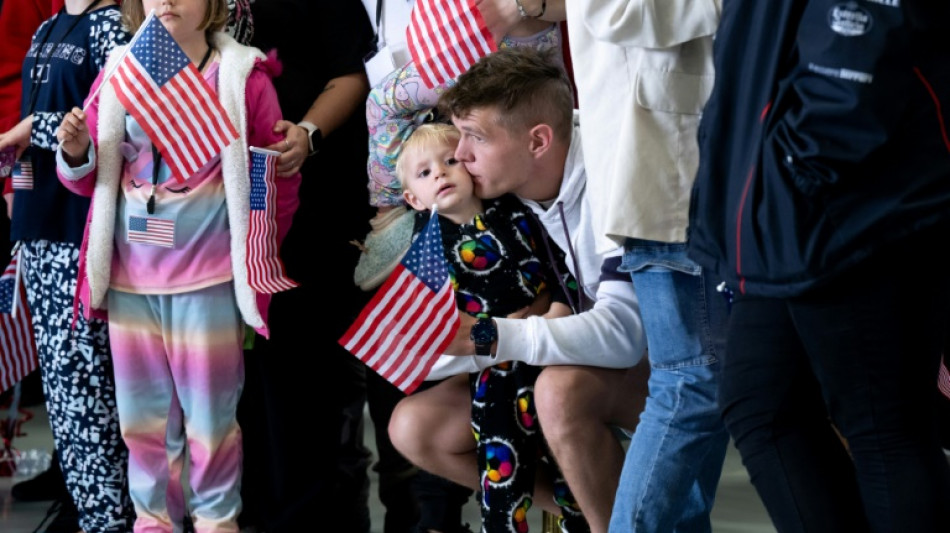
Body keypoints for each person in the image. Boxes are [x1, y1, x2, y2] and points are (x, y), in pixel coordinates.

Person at [687, 1, 950, 531]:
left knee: (882, 426)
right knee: (760, 405)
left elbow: (856, 51)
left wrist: (793, 177)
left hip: (850, 208)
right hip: (790, 214)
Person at [54, 0, 301, 529]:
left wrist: (256, 258)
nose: (166, 0)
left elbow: (275, 179)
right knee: (141, 425)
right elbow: (86, 179)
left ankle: (217, 521)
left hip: (209, 284)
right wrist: (75, 151)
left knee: (211, 423)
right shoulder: (120, 70)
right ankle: (153, 523)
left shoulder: (243, 77)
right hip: (130, 285)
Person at [388, 46, 651, 533]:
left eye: (473, 138)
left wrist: (496, 334)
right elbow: (450, 341)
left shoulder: (611, 172)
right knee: (412, 425)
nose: (459, 158)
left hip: (670, 362)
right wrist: (466, 341)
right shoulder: (487, 199)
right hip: (540, 359)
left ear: (538, 141)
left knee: (559, 391)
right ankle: (566, 505)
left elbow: (625, 332)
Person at [559, 2, 731, 532]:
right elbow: (618, 12)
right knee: (692, 382)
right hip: (663, 173)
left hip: (684, 167)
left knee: (703, 385)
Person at [395, 122, 584, 531]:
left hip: (555, 349)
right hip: (496, 375)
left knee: (571, 460)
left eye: (449, 162)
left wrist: (557, 306)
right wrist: (496, 336)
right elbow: (435, 337)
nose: (441, 174)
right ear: (413, 197)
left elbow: (560, 262)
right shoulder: (426, 252)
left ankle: (580, 517)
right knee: (502, 475)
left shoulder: (514, 209)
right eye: (425, 173)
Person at [239, 2, 383, 532]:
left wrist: (307, 132)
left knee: (309, 384)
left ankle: (322, 519)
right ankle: (259, 513)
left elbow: (353, 71)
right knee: (249, 391)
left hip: (315, 204)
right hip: (228, 216)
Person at [0, 0, 136, 531]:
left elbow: (117, 127)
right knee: (64, 395)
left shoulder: (112, 27)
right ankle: (90, 513)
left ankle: (110, 519)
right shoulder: (47, 27)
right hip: (37, 234)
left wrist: (31, 127)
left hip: (78, 236)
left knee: (91, 392)